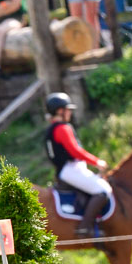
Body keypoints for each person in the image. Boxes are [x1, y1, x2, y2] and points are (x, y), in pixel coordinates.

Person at [45, 93, 111, 237]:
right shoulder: (62, 128)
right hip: (70, 169)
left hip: (66, 169)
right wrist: (96, 162)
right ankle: (84, 227)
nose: (70, 112)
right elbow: (75, 151)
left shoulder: (52, 128)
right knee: (103, 190)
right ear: (59, 111)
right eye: (67, 109)